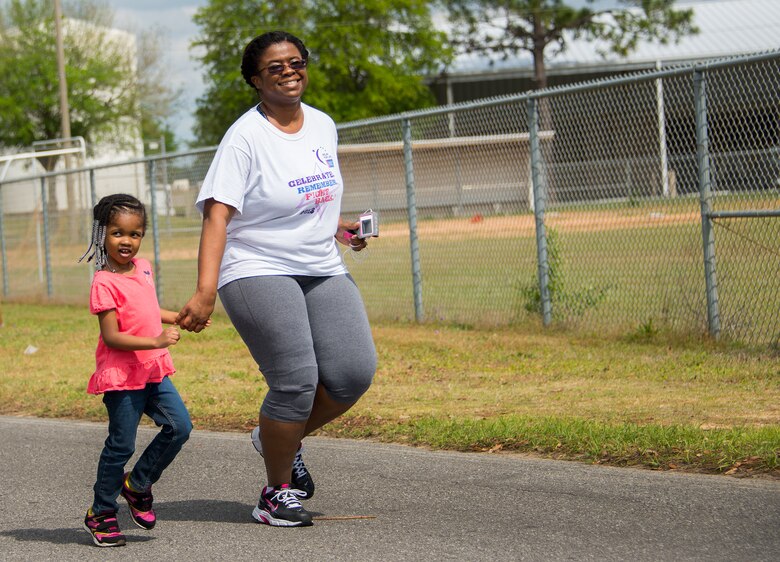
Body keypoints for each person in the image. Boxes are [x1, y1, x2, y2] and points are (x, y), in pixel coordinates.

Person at [176, 30, 377, 528]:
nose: (289, 71)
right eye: (275, 67)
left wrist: (340, 227)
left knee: (352, 373)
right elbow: (218, 215)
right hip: (256, 265)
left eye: (296, 62)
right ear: (255, 80)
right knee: (296, 382)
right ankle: (276, 491)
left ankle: (276, 438)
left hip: (320, 264)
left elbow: (307, 198)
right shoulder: (245, 136)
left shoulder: (323, 125)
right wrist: (205, 292)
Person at [79, 194, 203, 547]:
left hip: (152, 372)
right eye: (118, 233)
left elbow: (148, 309)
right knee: (120, 446)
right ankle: (101, 513)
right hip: (122, 377)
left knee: (180, 426)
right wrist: (156, 340)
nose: (126, 241)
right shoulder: (103, 281)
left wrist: (181, 318)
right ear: (102, 234)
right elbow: (112, 336)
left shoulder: (144, 268)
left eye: (134, 234)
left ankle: (137, 484)